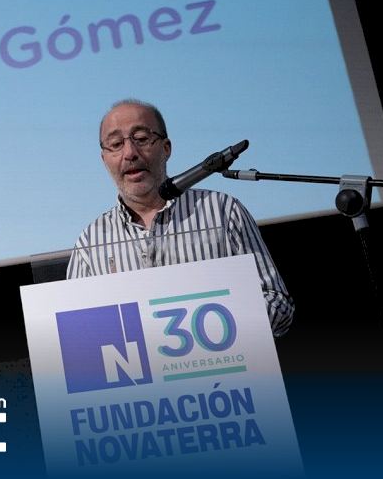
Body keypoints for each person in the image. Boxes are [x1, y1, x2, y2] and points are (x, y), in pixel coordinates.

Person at [66, 99, 294, 336]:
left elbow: (277, 303)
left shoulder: (223, 212)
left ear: (166, 148)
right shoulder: (90, 244)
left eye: (141, 139)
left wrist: (212, 329)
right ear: (104, 159)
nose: (130, 153)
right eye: (115, 144)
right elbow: (75, 333)